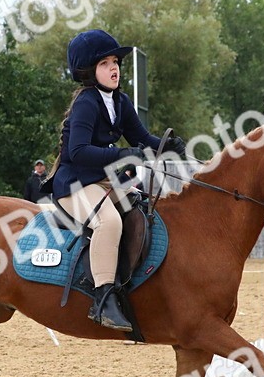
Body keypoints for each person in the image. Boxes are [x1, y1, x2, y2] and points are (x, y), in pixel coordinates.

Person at [53, 29, 186, 332]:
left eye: (116, 62)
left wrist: (167, 145)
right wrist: (125, 154)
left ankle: (131, 284)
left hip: (105, 182)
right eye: (105, 64)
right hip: (74, 184)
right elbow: (79, 151)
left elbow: (143, 139)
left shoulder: (121, 101)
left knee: (143, 209)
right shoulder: (87, 103)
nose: (114, 68)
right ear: (88, 71)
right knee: (109, 222)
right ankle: (103, 299)